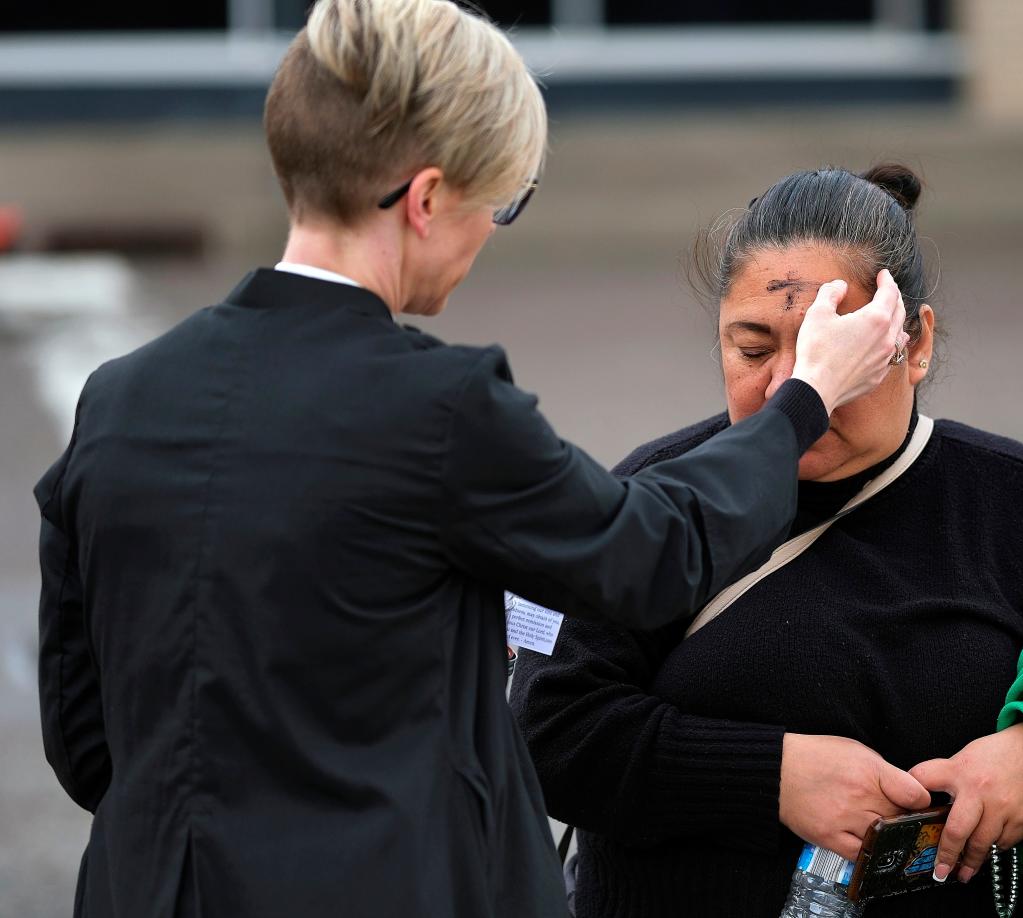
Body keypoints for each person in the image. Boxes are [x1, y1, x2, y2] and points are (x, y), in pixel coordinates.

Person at [32, 4, 910, 917]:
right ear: (425, 199)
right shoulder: (440, 409)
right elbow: (658, 553)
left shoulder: (120, 399)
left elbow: (85, 735)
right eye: (500, 202)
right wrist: (805, 396)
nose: (492, 230)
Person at [509, 164, 1023, 917]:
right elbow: (548, 729)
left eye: (834, 353)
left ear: (913, 344)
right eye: (753, 349)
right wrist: (776, 776)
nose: (792, 386)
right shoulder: (658, 501)